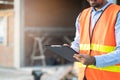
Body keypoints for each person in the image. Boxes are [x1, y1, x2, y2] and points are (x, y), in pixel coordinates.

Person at [70, 0, 120, 80]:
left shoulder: (117, 13)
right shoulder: (82, 15)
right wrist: (70, 50)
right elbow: (78, 42)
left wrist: (95, 60)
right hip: (84, 76)